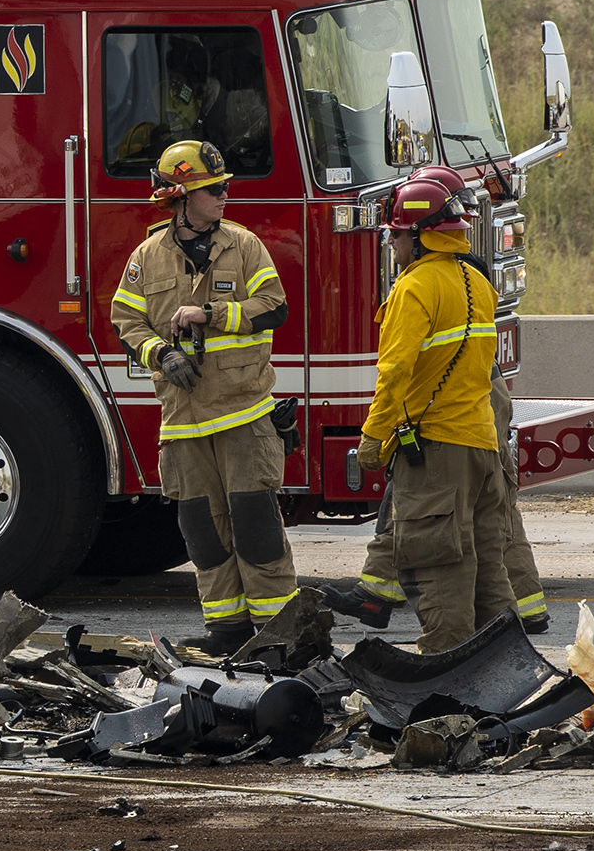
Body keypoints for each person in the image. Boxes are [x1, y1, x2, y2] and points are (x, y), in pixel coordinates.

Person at [108, 139, 294, 655]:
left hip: (243, 413)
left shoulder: (243, 244)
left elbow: (274, 308)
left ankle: (280, 637)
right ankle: (228, 633)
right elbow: (125, 321)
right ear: (181, 196)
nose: (225, 195)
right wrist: (159, 355)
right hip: (184, 420)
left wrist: (211, 314)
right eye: (214, 189)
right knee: (204, 536)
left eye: (224, 186)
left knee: (256, 526)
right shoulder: (147, 257)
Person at [334, 165, 514, 652]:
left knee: (440, 567)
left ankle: (447, 676)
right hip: (481, 447)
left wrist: (373, 437)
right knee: (485, 566)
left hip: (437, 452)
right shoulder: (476, 284)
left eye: (396, 236)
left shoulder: (414, 288)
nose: (392, 246)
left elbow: (393, 373)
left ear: (419, 236)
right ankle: (500, 667)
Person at [331, 379, 548, 636]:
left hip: (461, 402)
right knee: (469, 509)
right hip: (472, 398)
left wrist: (375, 432)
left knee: (462, 509)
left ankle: (521, 612)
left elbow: (397, 368)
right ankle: (376, 593)